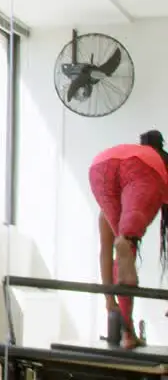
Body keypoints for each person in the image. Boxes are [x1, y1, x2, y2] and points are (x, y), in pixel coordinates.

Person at [89, 129, 168, 349]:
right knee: (127, 242)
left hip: (100, 165)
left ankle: (128, 335)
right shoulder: (157, 164)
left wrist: (109, 301)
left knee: (119, 248)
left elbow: (105, 251)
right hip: (144, 170)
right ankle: (127, 240)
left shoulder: (127, 154)